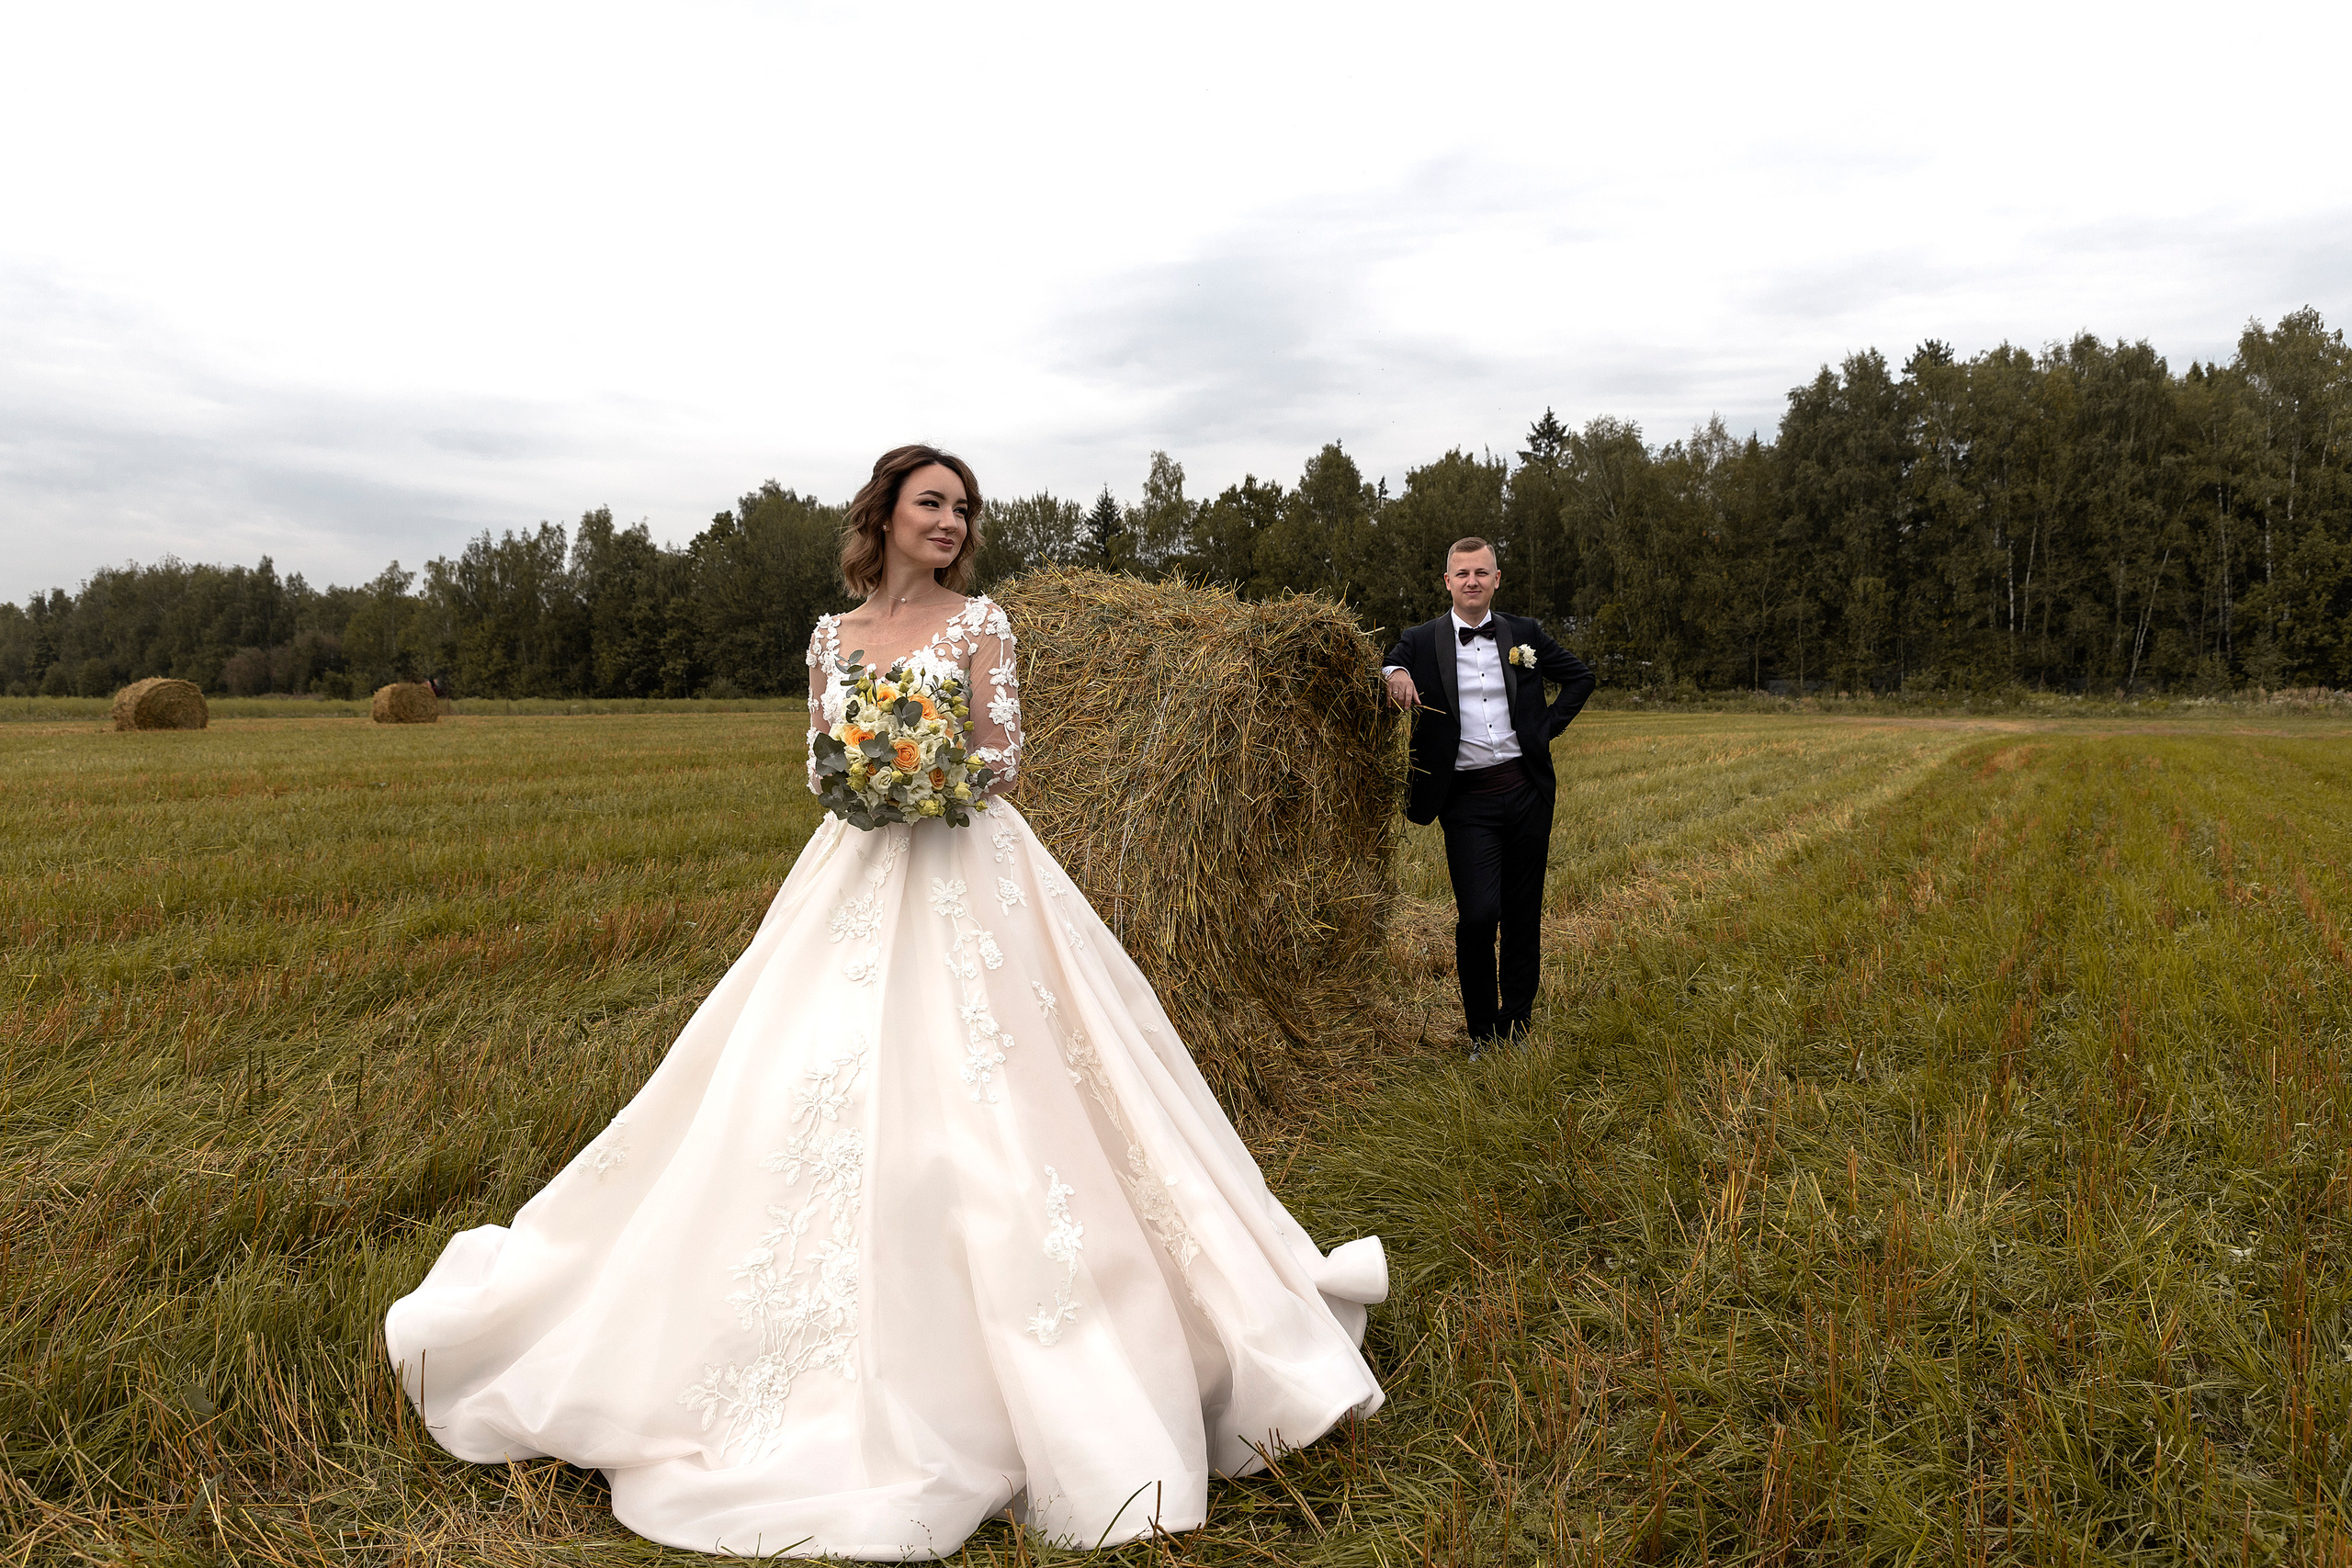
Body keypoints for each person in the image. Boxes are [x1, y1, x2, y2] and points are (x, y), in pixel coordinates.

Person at [383, 445, 1387, 1560]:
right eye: (931, 504)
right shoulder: (832, 635)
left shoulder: (984, 623)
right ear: (884, 517)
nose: (951, 521)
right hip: (854, 868)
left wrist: (929, 771)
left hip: (970, 866)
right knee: (785, 1079)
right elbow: (820, 762)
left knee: (1005, 1098)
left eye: (963, 507)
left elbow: (1005, 757)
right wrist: (865, 777)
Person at [1382, 537, 1595, 1051]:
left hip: (1526, 793)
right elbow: (1389, 664)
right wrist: (1397, 675)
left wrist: (1544, 730)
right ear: (1448, 582)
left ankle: (1515, 1027)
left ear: (1496, 579)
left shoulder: (1524, 635)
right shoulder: (1422, 638)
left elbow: (1579, 678)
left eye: (1482, 572)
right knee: (1478, 916)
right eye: (1462, 574)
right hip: (1466, 801)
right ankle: (1482, 1033)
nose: (1472, 581)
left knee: (1523, 916)